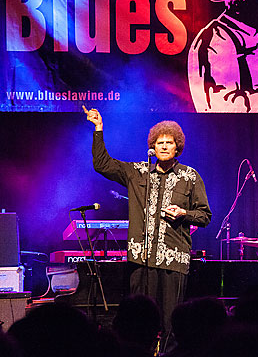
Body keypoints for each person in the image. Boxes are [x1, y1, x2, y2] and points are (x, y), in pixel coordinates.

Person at [83, 106, 212, 350]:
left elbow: (205, 216)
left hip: (173, 260)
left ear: (177, 147)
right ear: (152, 146)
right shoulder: (137, 172)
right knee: (139, 322)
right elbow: (102, 164)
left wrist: (184, 213)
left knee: (170, 321)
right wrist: (99, 128)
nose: (164, 146)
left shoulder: (190, 177)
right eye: (159, 142)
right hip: (140, 260)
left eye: (169, 142)